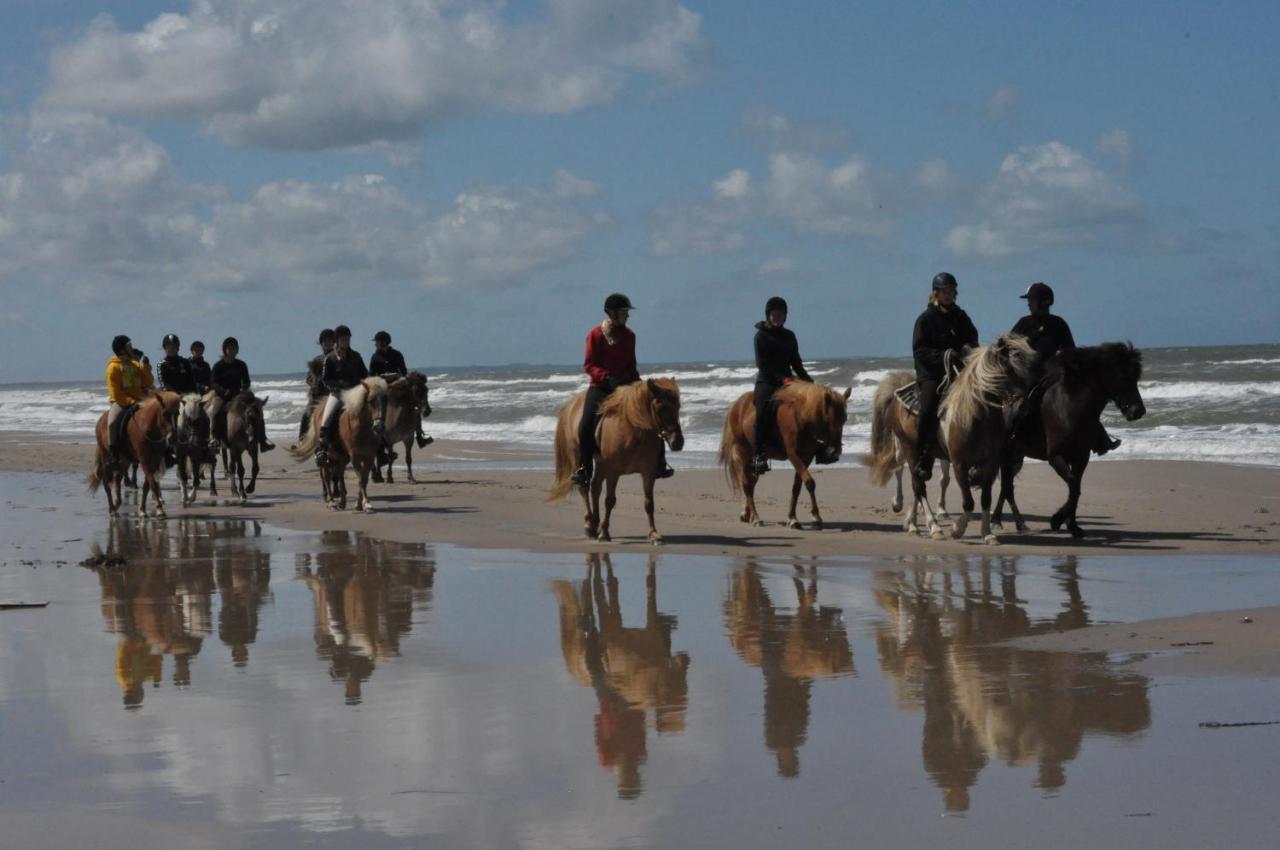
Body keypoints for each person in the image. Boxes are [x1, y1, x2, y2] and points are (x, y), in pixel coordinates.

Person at [569, 293, 673, 488]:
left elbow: (632, 365)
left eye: (627, 312)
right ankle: (584, 469)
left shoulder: (630, 336)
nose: (627, 315)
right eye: (624, 312)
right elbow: (589, 365)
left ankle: (660, 463)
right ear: (612, 313)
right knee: (585, 426)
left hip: (626, 386)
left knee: (654, 416)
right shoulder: (595, 335)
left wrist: (640, 386)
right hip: (600, 387)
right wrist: (606, 377)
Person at [1010, 282, 1120, 454]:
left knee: (1082, 399)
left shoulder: (1058, 324)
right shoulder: (1024, 324)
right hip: (1030, 374)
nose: (1028, 303)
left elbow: (1071, 350)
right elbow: (1010, 346)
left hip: (1054, 373)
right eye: (1029, 300)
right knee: (1024, 401)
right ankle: (1011, 435)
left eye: (1031, 300)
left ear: (1042, 302)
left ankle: (1101, 438)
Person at [912, 272, 979, 481]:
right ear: (936, 293)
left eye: (952, 291)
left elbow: (973, 338)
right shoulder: (925, 319)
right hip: (932, 373)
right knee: (927, 409)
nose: (949, 294)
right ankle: (924, 457)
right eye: (945, 291)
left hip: (959, 371)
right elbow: (919, 350)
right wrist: (943, 356)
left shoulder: (961, 316)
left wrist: (968, 348)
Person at [750, 296, 814, 475]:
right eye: (774, 314)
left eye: (781, 314)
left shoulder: (790, 336)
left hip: (788, 381)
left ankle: (818, 447)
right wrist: (782, 379)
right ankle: (758, 454)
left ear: (785, 316)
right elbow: (763, 366)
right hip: (767, 381)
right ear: (768, 316)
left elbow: (796, 363)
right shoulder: (760, 336)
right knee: (762, 410)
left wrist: (809, 382)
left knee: (810, 405)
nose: (777, 317)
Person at [210, 337, 274, 453]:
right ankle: (215, 439)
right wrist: (223, 391)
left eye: (234, 349)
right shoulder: (218, 366)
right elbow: (213, 383)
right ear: (225, 350)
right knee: (216, 412)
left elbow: (247, 380)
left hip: (238, 396)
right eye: (229, 349)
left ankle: (263, 441)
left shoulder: (241, 365)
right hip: (222, 396)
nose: (232, 351)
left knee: (256, 410)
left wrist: (244, 387)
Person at [317, 325, 370, 463]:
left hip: (355, 393)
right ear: (337, 341)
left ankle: (379, 448)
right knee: (326, 418)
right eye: (344, 339)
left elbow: (365, 374)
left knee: (374, 414)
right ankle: (322, 450)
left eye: (348, 339)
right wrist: (337, 388)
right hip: (338, 394)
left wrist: (363, 385)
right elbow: (325, 379)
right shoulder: (330, 358)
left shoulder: (356, 356)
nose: (346, 342)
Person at [370, 330, 432, 449]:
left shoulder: (397, 354)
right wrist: (387, 376)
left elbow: (403, 371)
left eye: (377, 342)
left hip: (399, 384)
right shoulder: (375, 357)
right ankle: (379, 429)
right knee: (379, 401)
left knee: (414, 401)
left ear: (383, 342)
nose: (375, 344)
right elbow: (372, 374)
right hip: (383, 385)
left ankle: (419, 433)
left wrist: (398, 377)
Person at [104, 334, 154, 463]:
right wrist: (131, 402)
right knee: (112, 423)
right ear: (122, 349)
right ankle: (113, 453)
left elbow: (148, 382)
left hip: (141, 399)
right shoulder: (113, 368)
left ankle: (166, 450)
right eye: (129, 346)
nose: (132, 348)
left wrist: (146, 367)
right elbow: (116, 393)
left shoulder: (135, 364)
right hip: (121, 402)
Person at [299, 329, 336, 441]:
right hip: (317, 396)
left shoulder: (336, 358)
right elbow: (308, 378)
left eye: (330, 341)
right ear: (321, 343)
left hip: (331, 394)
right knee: (306, 415)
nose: (327, 344)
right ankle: (302, 439)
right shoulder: (317, 359)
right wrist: (313, 384)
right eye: (325, 341)